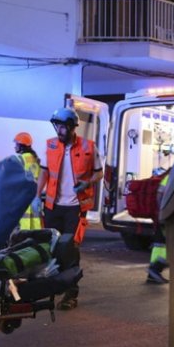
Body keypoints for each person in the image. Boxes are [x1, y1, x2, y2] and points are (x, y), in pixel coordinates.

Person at [36, 107, 103, 310]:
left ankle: (71, 294)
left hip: (74, 207)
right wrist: (36, 195)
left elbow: (99, 173)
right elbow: (44, 172)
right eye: (57, 126)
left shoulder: (89, 147)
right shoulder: (50, 145)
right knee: (52, 249)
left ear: (73, 127)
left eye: (63, 127)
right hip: (53, 206)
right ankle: (51, 288)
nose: (60, 130)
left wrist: (86, 183)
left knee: (70, 249)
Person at [13, 132, 43, 230]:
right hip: (35, 197)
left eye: (17, 144)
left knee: (23, 225)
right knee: (35, 224)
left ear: (21, 146)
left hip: (23, 197)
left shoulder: (20, 159)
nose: (15, 146)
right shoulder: (35, 159)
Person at [146, 173, 170, 284]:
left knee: (160, 244)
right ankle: (155, 269)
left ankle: (153, 272)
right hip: (166, 216)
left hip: (162, 215)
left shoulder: (169, 176)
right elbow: (161, 196)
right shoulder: (173, 177)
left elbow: (160, 195)